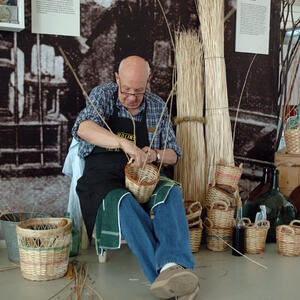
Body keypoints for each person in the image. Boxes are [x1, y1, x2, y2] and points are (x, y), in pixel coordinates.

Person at [72, 55, 199, 299]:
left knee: (171, 190)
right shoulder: (103, 95)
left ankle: (173, 268)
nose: (131, 97)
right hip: (103, 177)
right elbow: (83, 128)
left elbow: (174, 155)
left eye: (138, 91)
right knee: (124, 203)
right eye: (126, 90)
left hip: (144, 176)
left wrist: (155, 153)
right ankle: (167, 273)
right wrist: (123, 143)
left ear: (149, 82)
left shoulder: (156, 106)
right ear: (116, 79)